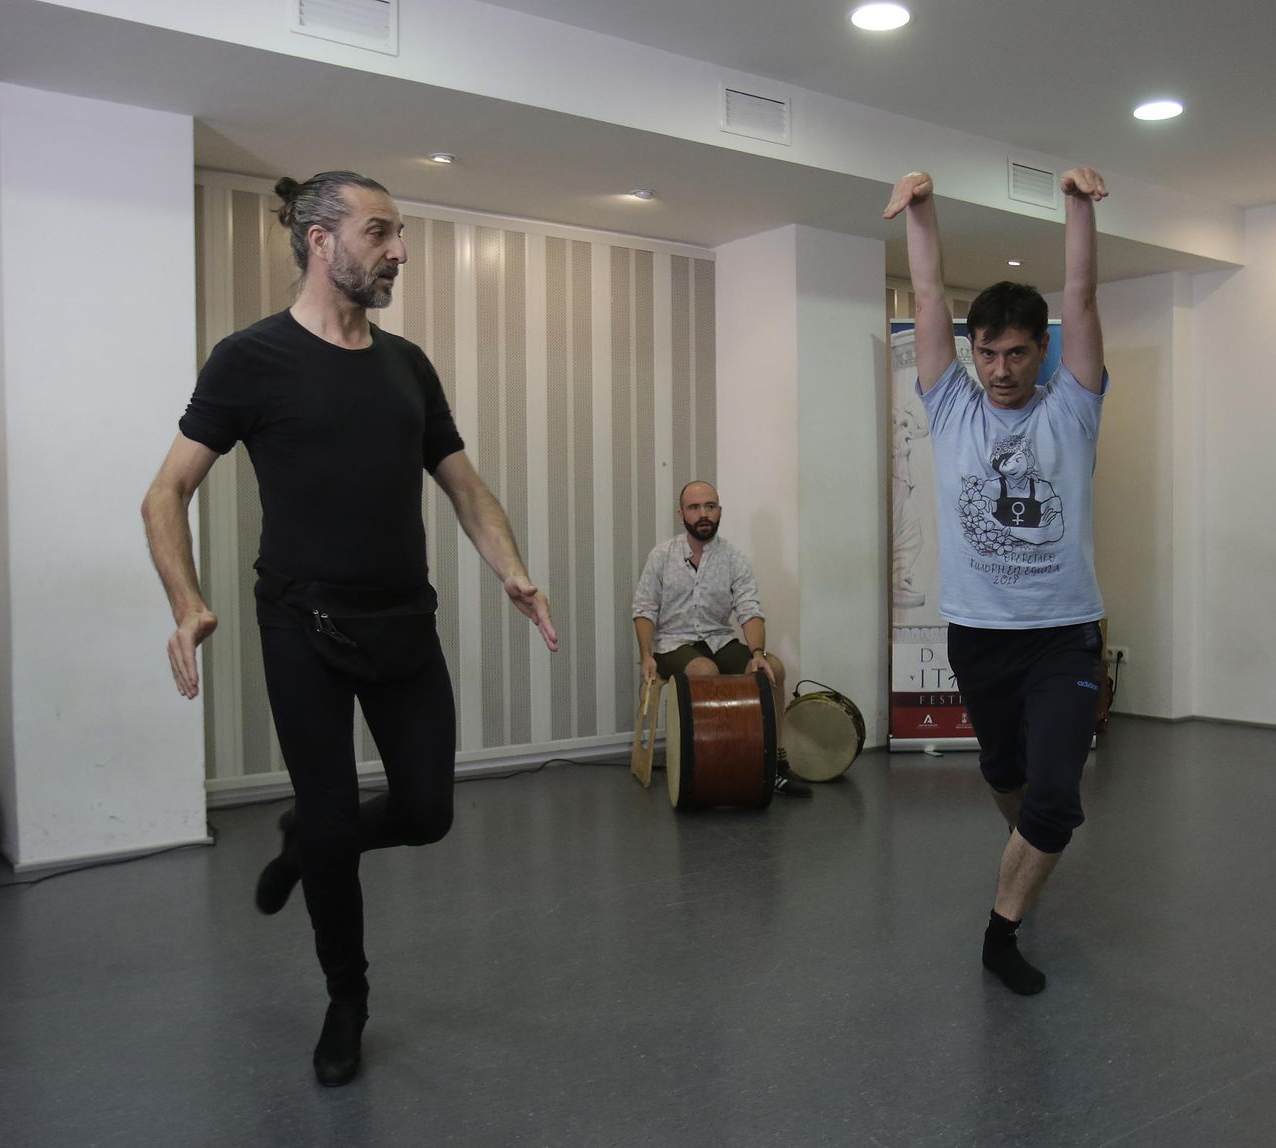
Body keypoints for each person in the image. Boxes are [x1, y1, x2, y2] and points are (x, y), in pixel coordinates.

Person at [141, 170, 558, 1085]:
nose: (399, 251)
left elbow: (460, 479)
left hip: (403, 618)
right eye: (381, 232)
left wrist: (511, 568)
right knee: (334, 818)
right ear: (320, 240)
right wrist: (187, 601)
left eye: (400, 233)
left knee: (427, 812)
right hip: (302, 625)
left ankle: (307, 840)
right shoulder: (249, 359)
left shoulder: (408, 365)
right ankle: (348, 997)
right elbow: (165, 491)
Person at [883, 166, 1109, 995]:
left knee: (1055, 798)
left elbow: (1080, 297)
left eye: (1018, 352)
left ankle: (1000, 932)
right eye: (989, 352)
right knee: (1007, 780)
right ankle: (1030, 858)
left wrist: (1077, 209)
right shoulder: (950, 406)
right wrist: (922, 210)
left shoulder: (1071, 407)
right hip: (978, 637)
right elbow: (932, 289)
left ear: (1041, 351)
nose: (1002, 368)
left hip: (1062, 634)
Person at [632, 480, 810, 798]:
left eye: (710, 507)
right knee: (704, 672)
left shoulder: (734, 559)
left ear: (719, 511)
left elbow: (750, 610)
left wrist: (757, 652)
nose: (703, 514)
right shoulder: (661, 556)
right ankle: (707, 768)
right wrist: (646, 654)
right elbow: (644, 609)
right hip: (674, 644)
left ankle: (775, 766)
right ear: (681, 513)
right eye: (694, 507)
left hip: (719, 639)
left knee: (773, 670)